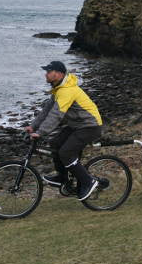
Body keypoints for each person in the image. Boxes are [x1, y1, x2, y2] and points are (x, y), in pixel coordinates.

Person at [25, 60, 104, 201]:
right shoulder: (59, 90)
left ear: (59, 74)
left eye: (49, 72)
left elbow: (56, 115)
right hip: (77, 125)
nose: (46, 75)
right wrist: (34, 126)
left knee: (66, 153)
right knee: (55, 143)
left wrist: (41, 132)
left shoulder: (67, 91)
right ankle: (63, 177)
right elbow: (47, 111)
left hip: (90, 126)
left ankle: (88, 181)